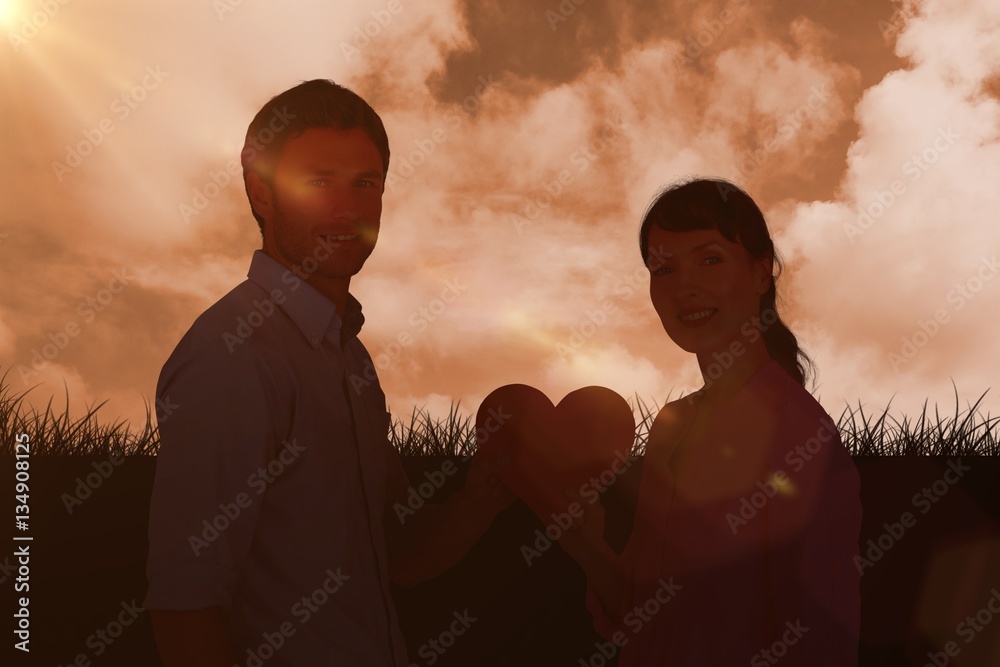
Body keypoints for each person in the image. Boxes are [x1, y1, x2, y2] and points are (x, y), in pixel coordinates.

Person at [144, 79, 513, 667]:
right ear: (260, 192)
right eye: (317, 182)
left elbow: (397, 557)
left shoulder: (349, 357)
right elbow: (184, 607)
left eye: (366, 183)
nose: (348, 210)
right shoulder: (233, 354)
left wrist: (482, 497)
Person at [558, 178, 862, 665]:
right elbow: (637, 615)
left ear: (762, 272)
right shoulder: (672, 426)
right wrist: (584, 542)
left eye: (710, 260)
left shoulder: (799, 433)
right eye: (664, 268)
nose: (685, 287)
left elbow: (820, 637)